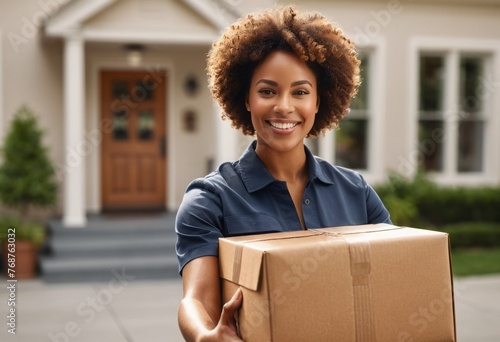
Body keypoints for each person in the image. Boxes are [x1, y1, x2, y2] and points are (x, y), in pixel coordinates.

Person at [176, 5, 391, 341]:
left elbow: (388, 280)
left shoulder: (356, 192)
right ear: (246, 99)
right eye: (267, 91)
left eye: (301, 92)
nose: (284, 107)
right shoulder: (209, 200)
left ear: (319, 102)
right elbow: (196, 300)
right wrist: (205, 336)